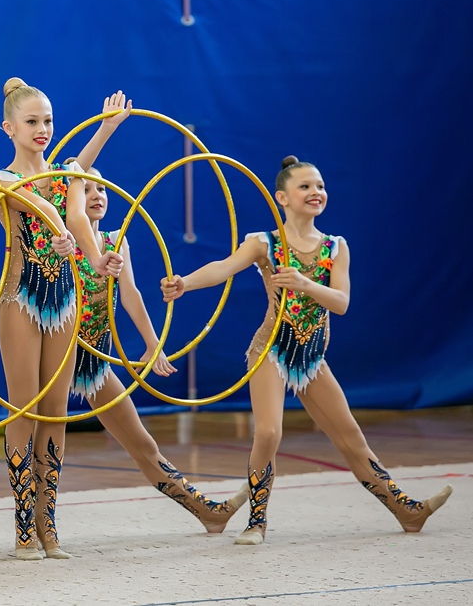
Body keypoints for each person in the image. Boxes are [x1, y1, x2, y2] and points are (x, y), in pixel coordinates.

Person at [161, 155, 452, 545]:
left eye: (320, 186)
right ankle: (256, 521)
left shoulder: (335, 247)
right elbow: (223, 267)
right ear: (282, 197)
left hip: (311, 358)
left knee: (351, 436)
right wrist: (185, 283)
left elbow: (341, 302)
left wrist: (305, 283)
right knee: (268, 432)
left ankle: (406, 511)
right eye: (305, 187)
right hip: (272, 351)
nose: (316, 192)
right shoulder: (265, 243)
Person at [0, 77, 127, 560]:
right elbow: (37, 203)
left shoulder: (68, 174)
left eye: (49, 121)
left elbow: (80, 217)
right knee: (25, 407)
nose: (43, 129)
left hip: (64, 301)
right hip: (20, 299)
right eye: (32, 122)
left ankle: (48, 524)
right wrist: (61, 227)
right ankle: (23, 526)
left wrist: (99, 259)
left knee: (56, 414)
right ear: (9, 127)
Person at [64, 159, 247, 531]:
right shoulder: (64, 242)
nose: (96, 195)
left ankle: (205, 511)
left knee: (143, 443)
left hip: (95, 360)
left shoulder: (116, 241)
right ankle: (33, 527)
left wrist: (153, 343)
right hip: (56, 355)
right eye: (85, 190)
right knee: (44, 442)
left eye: (100, 188)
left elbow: (130, 292)